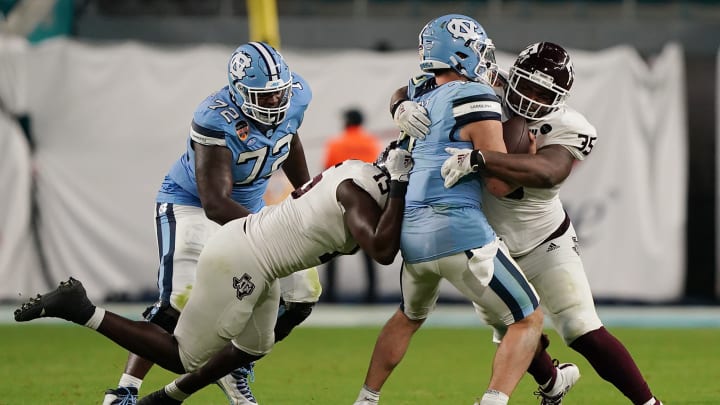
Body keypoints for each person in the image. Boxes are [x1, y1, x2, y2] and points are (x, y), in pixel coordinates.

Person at [14, 146, 414, 404]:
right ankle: (80, 308)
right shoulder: (357, 191)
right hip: (245, 260)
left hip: (261, 257)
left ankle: (168, 398)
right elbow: (382, 251)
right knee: (182, 354)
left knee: (255, 345)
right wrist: (399, 187)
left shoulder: (356, 172)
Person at [440, 42, 663, 405]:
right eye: (525, 85)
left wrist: (483, 160)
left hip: (545, 240)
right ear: (514, 78)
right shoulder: (486, 87)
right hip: (488, 243)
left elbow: (548, 171)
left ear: (559, 98)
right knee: (512, 328)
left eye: (542, 93)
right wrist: (402, 104)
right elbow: (422, 85)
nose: (529, 98)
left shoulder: (569, 126)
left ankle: (650, 404)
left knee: (580, 327)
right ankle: (552, 382)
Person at [103, 41, 322, 405]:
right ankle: (126, 388)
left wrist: (305, 192)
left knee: (302, 296)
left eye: (278, 94)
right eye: (263, 97)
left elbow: (289, 138)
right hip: (192, 206)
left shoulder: (296, 95)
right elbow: (216, 203)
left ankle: (235, 362)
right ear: (238, 93)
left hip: (251, 211)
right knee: (178, 303)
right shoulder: (214, 117)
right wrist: (276, 231)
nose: (274, 103)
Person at [353, 14, 544, 405]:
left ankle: (366, 399)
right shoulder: (477, 95)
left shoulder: (421, 96)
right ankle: (493, 401)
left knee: (408, 316)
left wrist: (399, 106)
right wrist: (530, 161)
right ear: (461, 53)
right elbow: (497, 182)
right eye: (478, 50)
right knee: (528, 320)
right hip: (459, 230)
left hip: (414, 237)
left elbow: (401, 91)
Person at [323, 108, 383, 302]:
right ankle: (372, 294)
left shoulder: (336, 143)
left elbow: (327, 174)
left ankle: (331, 294)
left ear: (347, 121)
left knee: (333, 249)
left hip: (341, 202)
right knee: (368, 249)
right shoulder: (372, 143)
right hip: (368, 203)